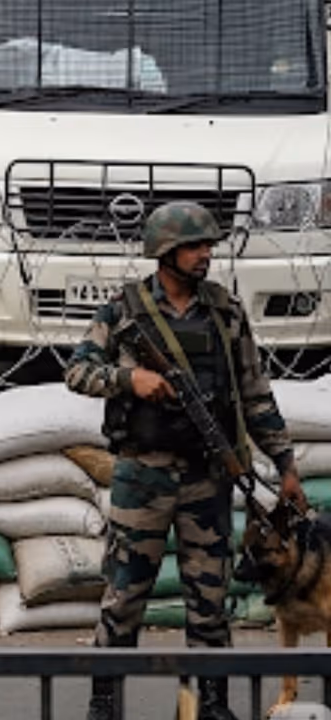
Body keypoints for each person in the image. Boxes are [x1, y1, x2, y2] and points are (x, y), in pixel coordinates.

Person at [64, 201, 308, 720]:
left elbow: (254, 393)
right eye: (195, 247)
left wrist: (284, 465)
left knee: (209, 601)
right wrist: (130, 380)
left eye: (208, 246)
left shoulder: (225, 313)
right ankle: (104, 705)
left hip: (206, 478)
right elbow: (79, 370)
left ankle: (210, 705)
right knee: (125, 597)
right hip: (141, 477)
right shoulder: (123, 311)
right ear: (165, 253)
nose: (205, 256)